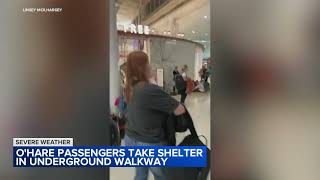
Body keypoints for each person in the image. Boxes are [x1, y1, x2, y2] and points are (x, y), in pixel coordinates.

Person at [124, 51, 186, 180]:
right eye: (148, 63)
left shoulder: (130, 87)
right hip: (149, 143)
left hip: (131, 138)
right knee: (162, 176)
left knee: (140, 175)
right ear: (143, 67)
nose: (151, 66)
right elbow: (179, 109)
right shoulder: (149, 89)